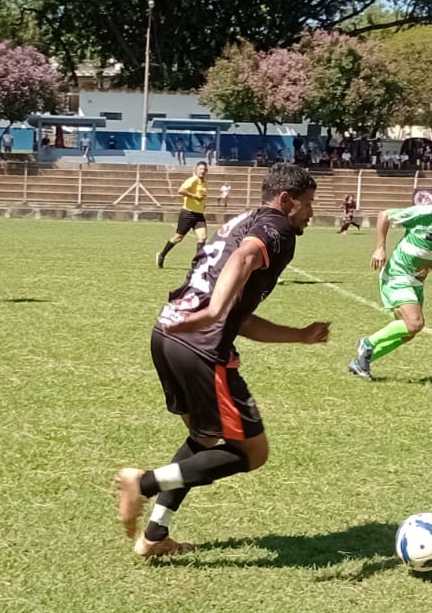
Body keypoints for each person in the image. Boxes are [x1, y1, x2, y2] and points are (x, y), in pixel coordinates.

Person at [113, 164, 328, 557]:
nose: (311, 213)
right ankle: (142, 483)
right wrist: (213, 312)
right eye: (308, 204)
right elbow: (245, 260)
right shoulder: (277, 228)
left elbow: (239, 317)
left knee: (204, 439)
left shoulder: (241, 221)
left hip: (168, 334)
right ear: (285, 200)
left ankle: (155, 537)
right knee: (252, 453)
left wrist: (298, 335)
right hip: (202, 347)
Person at [348, 176, 432, 381]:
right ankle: (367, 343)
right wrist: (380, 248)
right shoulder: (424, 213)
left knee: (409, 331)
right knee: (415, 323)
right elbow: (384, 215)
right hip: (398, 273)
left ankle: (361, 362)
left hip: (418, 281)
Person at [157, 161, 210, 268]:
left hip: (199, 215)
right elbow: (181, 190)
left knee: (202, 237)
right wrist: (195, 196)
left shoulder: (204, 182)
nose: (203, 171)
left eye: (204, 169)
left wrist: (203, 205)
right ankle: (162, 255)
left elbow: (202, 196)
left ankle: (197, 263)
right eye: (201, 169)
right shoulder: (193, 180)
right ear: (196, 169)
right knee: (178, 238)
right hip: (188, 213)